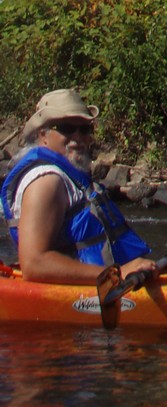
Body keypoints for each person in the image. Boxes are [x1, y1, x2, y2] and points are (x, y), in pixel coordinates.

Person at [1, 88, 157, 284]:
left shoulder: (69, 176)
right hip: (89, 294)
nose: (78, 136)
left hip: (119, 284)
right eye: (66, 128)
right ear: (43, 136)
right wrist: (117, 273)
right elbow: (34, 264)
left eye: (84, 129)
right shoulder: (46, 181)